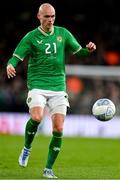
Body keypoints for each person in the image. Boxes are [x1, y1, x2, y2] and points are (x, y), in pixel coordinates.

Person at [6, 3, 96, 179]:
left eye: (53, 16)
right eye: (47, 16)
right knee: (37, 117)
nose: (50, 20)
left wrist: (89, 50)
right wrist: (10, 64)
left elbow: (80, 53)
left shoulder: (63, 34)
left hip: (58, 87)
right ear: (39, 17)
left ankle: (48, 169)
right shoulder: (31, 37)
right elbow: (16, 56)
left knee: (59, 128)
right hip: (38, 85)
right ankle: (27, 148)